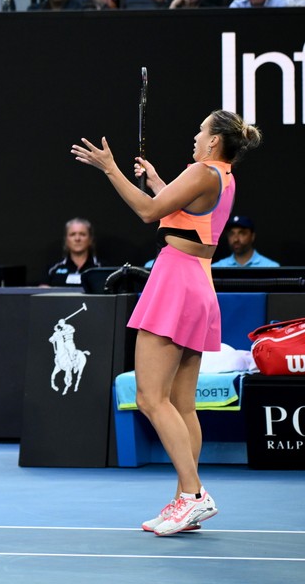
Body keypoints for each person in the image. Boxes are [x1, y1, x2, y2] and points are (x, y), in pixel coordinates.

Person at [71, 110, 262, 536]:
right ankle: (184, 499)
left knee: (150, 397)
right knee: (181, 405)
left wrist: (110, 168)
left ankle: (194, 495)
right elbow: (182, 215)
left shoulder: (202, 170)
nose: (194, 136)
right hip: (197, 285)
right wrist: (158, 180)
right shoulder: (222, 176)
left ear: (214, 142)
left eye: (200, 130)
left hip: (176, 283)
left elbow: (147, 211)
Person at [45, 218, 102, 286]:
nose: (77, 238)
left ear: (90, 239)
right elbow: (41, 292)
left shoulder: (102, 268)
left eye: (82, 234)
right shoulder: (52, 269)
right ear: (66, 240)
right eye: (72, 234)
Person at [212, 215, 279, 267]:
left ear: (252, 236)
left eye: (242, 233)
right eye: (231, 234)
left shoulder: (270, 267)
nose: (236, 239)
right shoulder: (216, 268)